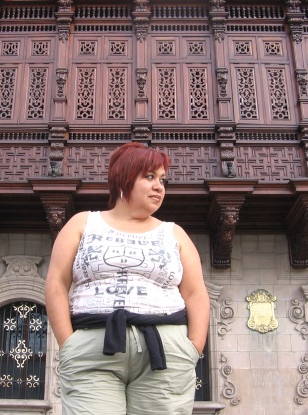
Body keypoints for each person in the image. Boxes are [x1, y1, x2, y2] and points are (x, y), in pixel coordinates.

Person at [45, 142, 210, 415]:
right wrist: (68, 343)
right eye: (149, 177)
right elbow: (56, 284)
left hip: (166, 351)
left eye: (162, 180)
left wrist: (193, 347)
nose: (159, 187)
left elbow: (196, 293)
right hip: (92, 348)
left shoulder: (174, 233)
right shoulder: (82, 223)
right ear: (123, 180)